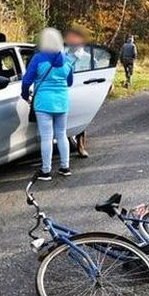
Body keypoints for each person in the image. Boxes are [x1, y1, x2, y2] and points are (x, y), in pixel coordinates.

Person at [21, 28, 75, 181]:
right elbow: (70, 82)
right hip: (62, 102)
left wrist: (25, 96)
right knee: (62, 134)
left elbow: (26, 81)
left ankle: (46, 171)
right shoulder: (67, 60)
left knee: (46, 137)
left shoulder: (38, 58)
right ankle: (65, 167)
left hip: (43, 103)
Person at [64, 23, 91, 157]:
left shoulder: (87, 58)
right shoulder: (62, 55)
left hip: (81, 92)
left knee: (80, 118)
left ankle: (81, 146)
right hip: (63, 91)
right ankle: (66, 141)